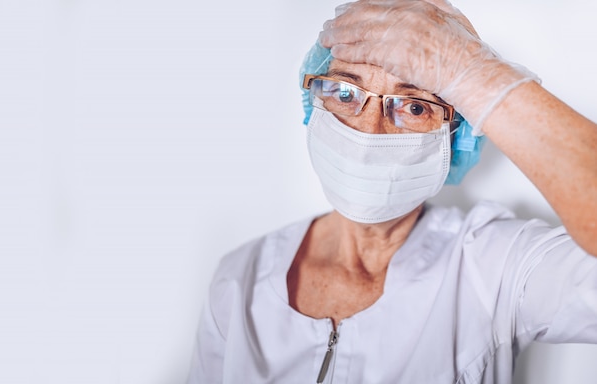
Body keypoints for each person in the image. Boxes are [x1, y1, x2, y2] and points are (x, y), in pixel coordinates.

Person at [187, 0, 597, 382]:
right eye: (345, 92)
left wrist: (473, 70)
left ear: (455, 136)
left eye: (415, 106)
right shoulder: (241, 278)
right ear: (313, 101)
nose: (369, 129)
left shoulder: (497, 268)